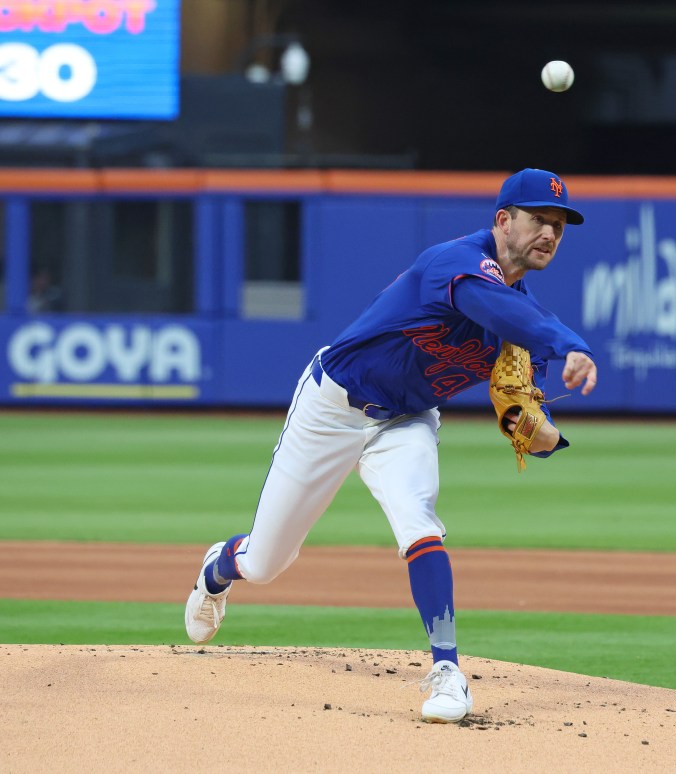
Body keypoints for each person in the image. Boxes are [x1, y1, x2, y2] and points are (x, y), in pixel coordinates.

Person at [184, 168, 598, 723]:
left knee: (418, 520)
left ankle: (447, 669)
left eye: (559, 225)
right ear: (503, 220)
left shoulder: (519, 322)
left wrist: (540, 436)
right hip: (332, 407)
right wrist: (568, 342)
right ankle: (218, 569)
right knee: (265, 562)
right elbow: (500, 309)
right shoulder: (454, 263)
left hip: (406, 420)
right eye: (538, 219)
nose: (549, 232)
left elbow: (529, 409)